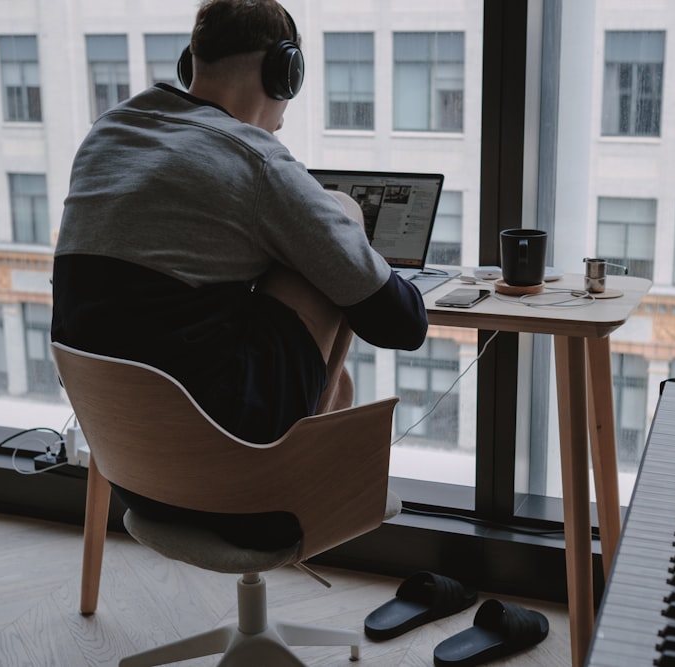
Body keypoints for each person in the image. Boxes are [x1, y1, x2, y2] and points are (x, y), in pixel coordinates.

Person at [51, 0, 428, 549]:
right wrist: (339, 226)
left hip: (133, 476)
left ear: (191, 64)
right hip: (242, 490)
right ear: (286, 70)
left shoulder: (108, 133)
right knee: (336, 217)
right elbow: (402, 325)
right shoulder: (258, 162)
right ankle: (301, 466)